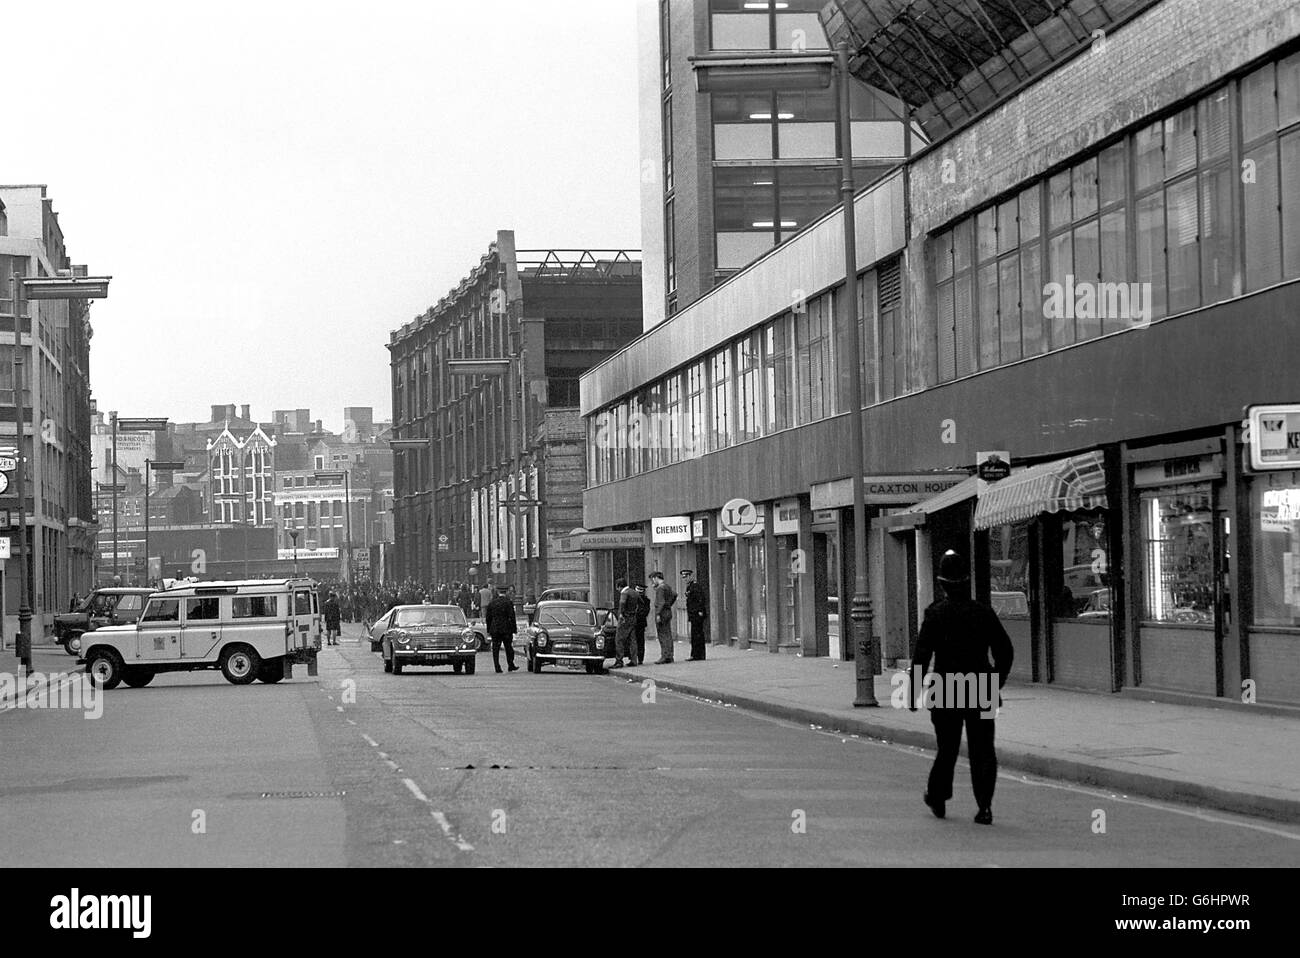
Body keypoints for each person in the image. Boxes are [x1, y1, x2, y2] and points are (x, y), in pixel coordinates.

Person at [912, 550, 1014, 825]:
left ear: (942, 583)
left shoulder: (935, 614)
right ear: (967, 581)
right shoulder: (983, 612)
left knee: (947, 748)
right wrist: (996, 681)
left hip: (946, 688)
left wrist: (913, 692)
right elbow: (1005, 650)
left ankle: (938, 794)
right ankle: (984, 807)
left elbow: (922, 654)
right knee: (983, 749)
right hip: (980, 687)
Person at [485, 585, 519, 673]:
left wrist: (488, 629)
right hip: (506, 628)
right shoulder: (508, 602)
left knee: (495, 649)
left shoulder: (492, 603)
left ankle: (497, 667)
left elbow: (488, 618)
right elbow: (512, 617)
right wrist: (514, 629)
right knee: (508, 648)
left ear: (497, 592)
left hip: (495, 628)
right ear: (506, 592)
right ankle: (510, 664)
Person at [650, 571, 678, 664]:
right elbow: (674, 594)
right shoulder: (667, 586)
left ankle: (664, 656)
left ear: (656, 578)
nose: (652, 582)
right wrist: (669, 604)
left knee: (662, 635)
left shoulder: (660, 588)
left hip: (662, 613)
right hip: (667, 612)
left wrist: (658, 614)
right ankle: (670, 655)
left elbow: (660, 602)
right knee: (668, 634)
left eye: (653, 579)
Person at [610, 577, 637, 668]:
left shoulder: (624, 593)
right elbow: (641, 603)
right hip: (633, 617)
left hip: (625, 618)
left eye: (616, 587)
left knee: (619, 639)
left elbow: (622, 603)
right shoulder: (634, 592)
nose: (617, 589)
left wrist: (621, 614)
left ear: (619, 586)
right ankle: (634, 660)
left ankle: (619, 661)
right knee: (632, 639)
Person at [683, 569, 707, 661]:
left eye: (686, 577)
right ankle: (697, 654)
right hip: (693, 614)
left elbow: (701, 599)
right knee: (696, 634)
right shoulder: (690, 587)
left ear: (690, 576)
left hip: (697, 614)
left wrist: (700, 610)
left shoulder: (695, 586)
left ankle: (697, 655)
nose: (685, 580)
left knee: (697, 634)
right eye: (684, 578)